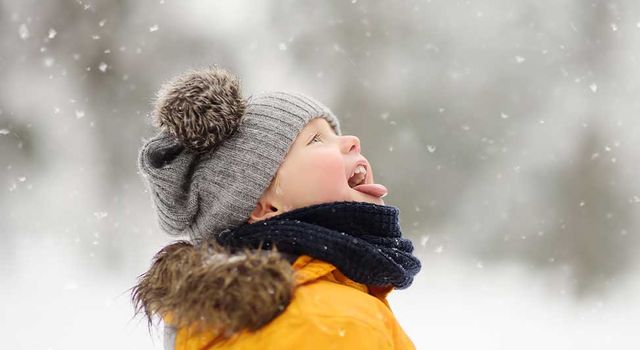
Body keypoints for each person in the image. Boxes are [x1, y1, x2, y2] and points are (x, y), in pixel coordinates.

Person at [130, 65, 421, 349]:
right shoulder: (331, 322)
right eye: (316, 140)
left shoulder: (237, 322)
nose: (352, 141)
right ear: (264, 208)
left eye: (333, 133)